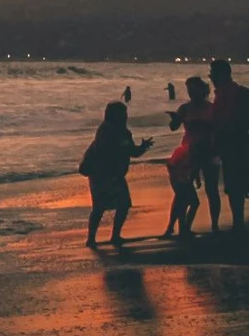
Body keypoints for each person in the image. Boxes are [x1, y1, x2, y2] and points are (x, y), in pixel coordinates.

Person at [78, 100, 153, 247]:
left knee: (123, 205)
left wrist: (143, 147)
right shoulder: (105, 130)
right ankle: (91, 239)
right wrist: (124, 147)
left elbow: (132, 152)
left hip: (116, 175)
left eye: (124, 113)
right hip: (100, 174)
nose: (124, 116)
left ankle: (115, 236)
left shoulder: (125, 132)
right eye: (121, 113)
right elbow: (104, 149)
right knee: (99, 208)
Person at [165, 77, 217, 238]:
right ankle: (175, 227)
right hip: (189, 152)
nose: (192, 93)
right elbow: (173, 127)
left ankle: (214, 225)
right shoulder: (185, 108)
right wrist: (175, 119)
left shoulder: (211, 107)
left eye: (194, 90)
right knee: (183, 191)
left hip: (209, 150)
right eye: (189, 90)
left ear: (203, 90)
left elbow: (218, 127)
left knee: (212, 189)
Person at [213, 60, 249, 234]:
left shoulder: (236, 93)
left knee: (236, 185)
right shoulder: (226, 93)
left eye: (212, 73)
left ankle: (238, 223)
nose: (211, 77)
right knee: (237, 185)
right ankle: (238, 222)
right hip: (234, 142)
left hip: (236, 142)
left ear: (222, 74)